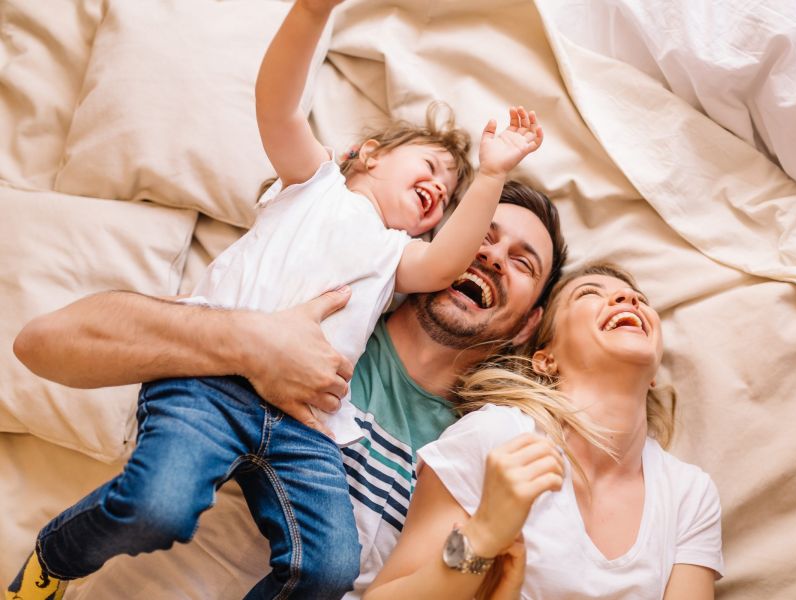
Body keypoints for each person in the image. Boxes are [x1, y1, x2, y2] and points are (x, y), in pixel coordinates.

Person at [5, 0, 546, 598]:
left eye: (447, 198)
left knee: (330, 567)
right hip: (211, 387)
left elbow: (447, 259)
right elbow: (278, 105)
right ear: (365, 153)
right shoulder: (315, 184)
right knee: (159, 507)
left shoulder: (401, 264)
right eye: (429, 170)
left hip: (306, 427)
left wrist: (492, 175)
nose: (437, 191)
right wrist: (312, 15)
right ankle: (55, 559)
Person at [365, 262, 724, 599]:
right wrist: (482, 535)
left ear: (654, 376)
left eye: (640, 300)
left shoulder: (689, 496)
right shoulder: (496, 437)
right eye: (589, 294)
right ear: (545, 358)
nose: (628, 299)